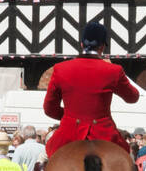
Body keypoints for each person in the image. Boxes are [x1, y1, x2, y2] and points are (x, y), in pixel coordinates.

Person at [43, 21, 140, 157]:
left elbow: (49, 108)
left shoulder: (60, 69)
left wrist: (69, 116)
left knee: (42, 164)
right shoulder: (114, 71)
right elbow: (133, 97)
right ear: (102, 47)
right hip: (104, 136)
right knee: (129, 164)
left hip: (69, 135)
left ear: (81, 44)